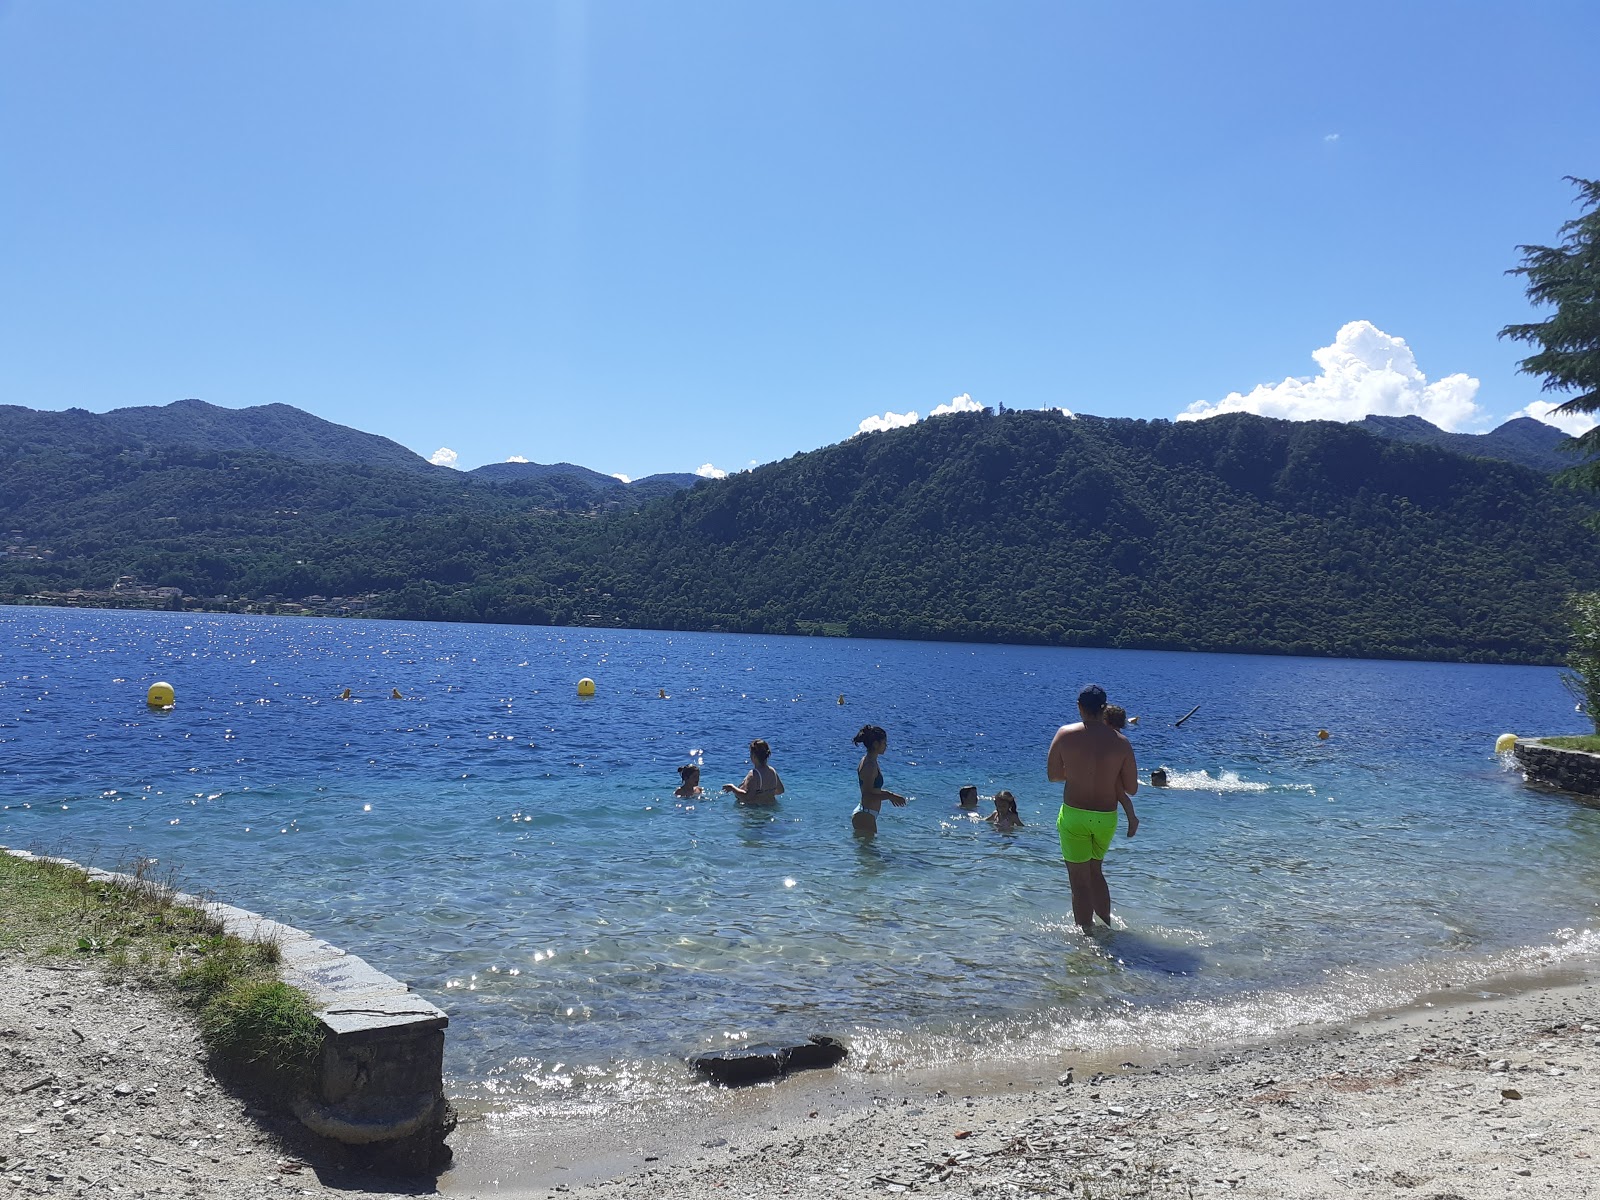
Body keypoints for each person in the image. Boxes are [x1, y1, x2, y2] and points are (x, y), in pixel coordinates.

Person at [1047, 683, 1138, 934]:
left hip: (1075, 814)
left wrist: (1077, 772)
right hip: (1106, 817)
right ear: (1103, 709)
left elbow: (1053, 775)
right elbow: (1131, 788)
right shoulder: (1121, 742)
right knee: (1096, 872)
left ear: (1079, 707)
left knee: (1079, 881)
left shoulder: (1065, 734)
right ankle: (1106, 928)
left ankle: (1085, 939)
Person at [851, 725, 908, 835]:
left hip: (866, 815)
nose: (886, 746)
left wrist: (890, 794)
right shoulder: (869, 766)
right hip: (864, 816)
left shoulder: (871, 761)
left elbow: (873, 790)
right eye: (884, 743)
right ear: (876, 744)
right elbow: (867, 795)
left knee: (869, 851)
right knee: (871, 852)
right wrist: (889, 796)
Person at [1101, 705, 1141, 839]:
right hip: (1118, 771)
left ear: (1105, 721)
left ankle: (1132, 819)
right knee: (1122, 795)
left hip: (1112, 772)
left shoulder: (1109, 737)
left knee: (1119, 793)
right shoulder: (1122, 739)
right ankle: (1132, 818)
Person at [722, 739, 784, 806]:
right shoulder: (772, 771)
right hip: (770, 807)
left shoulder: (754, 774)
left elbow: (747, 797)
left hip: (755, 809)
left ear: (753, 756)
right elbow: (781, 790)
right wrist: (766, 793)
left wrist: (732, 788)